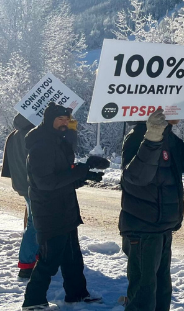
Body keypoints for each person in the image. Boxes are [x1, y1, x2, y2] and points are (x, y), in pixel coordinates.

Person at [22, 103, 109, 311]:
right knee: (49, 260)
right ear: (49, 119)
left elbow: (63, 177)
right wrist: (81, 169)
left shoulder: (58, 141)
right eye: (60, 119)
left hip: (65, 209)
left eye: (66, 119)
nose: (64, 123)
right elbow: (46, 183)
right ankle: (32, 301)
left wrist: (85, 175)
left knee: (72, 258)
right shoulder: (41, 145)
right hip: (50, 211)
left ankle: (76, 293)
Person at [119, 106, 184, 311]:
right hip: (143, 228)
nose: (180, 112)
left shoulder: (169, 137)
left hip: (163, 227)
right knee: (143, 294)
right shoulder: (137, 136)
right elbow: (136, 177)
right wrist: (151, 139)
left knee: (162, 290)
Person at [1, 113, 37, 280]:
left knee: (33, 221)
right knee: (34, 224)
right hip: (35, 186)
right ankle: (26, 264)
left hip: (22, 185)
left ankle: (32, 258)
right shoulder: (34, 134)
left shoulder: (13, 135)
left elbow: (7, 163)